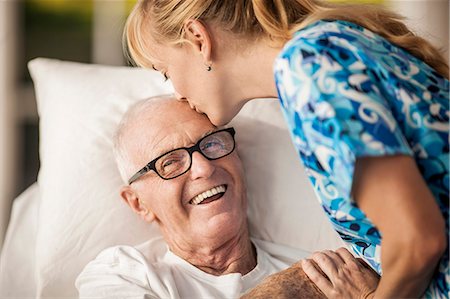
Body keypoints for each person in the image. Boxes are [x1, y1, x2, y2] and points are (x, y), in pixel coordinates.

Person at [124, 1, 449, 298]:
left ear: (198, 38)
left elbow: (417, 242)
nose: (177, 94)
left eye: (166, 73)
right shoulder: (333, 43)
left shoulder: (309, 72)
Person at [75, 96, 379, 298]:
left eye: (212, 144)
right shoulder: (123, 273)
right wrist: (290, 290)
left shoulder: (333, 275)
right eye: (170, 162)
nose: (204, 168)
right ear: (138, 203)